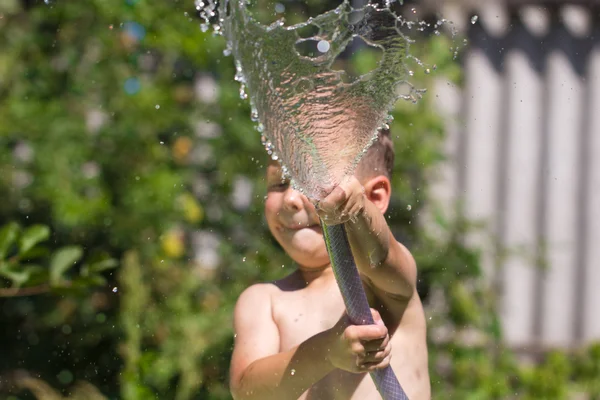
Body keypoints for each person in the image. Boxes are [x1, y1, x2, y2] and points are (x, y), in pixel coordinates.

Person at [229, 130, 430, 400]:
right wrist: (327, 351)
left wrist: (356, 208)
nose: (290, 199)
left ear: (375, 197)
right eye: (279, 183)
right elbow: (247, 391)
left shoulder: (382, 278)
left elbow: (378, 256)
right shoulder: (264, 301)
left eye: (312, 181)